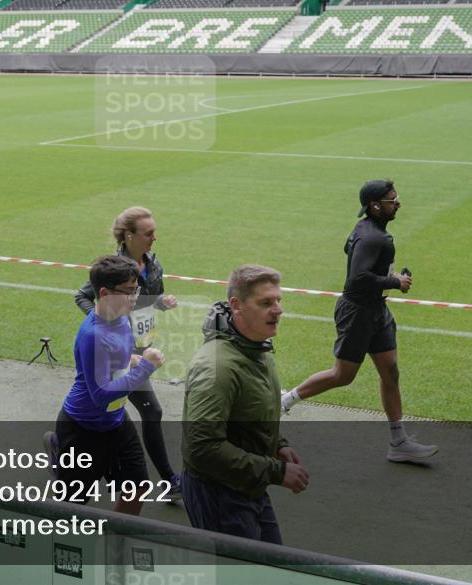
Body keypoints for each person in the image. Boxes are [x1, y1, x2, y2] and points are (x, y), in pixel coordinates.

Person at [281, 180, 437, 463]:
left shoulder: (366, 230)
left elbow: (347, 250)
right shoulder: (373, 237)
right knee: (343, 375)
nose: (398, 203)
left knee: (390, 372)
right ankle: (285, 401)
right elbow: (357, 278)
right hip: (358, 313)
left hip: (377, 311)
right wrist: (395, 281)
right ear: (375, 206)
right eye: (392, 200)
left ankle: (398, 441)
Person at [182, 264, 308, 544]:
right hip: (219, 494)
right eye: (266, 303)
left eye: (278, 301)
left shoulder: (256, 347)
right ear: (236, 306)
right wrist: (276, 470)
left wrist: (278, 444)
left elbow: (251, 410)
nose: (278, 310)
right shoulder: (217, 367)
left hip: (247, 484)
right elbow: (202, 448)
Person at [73, 207, 180, 494]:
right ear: (129, 235)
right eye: (148, 233)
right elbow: (83, 296)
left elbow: (147, 302)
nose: (155, 238)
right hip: (119, 349)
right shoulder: (114, 270)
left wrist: (161, 303)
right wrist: (105, 327)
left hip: (141, 346)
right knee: (148, 410)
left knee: (112, 407)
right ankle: (170, 480)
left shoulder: (153, 264)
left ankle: (68, 447)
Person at [52, 255, 165, 515]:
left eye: (136, 289)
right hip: (83, 429)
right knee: (70, 508)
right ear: (104, 293)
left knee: (137, 488)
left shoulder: (122, 317)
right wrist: (146, 366)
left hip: (115, 420)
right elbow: (101, 395)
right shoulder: (93, 335)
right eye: (128, 292)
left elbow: (117, 356)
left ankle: (113, 546)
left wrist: (132, 359)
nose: (135, 297)